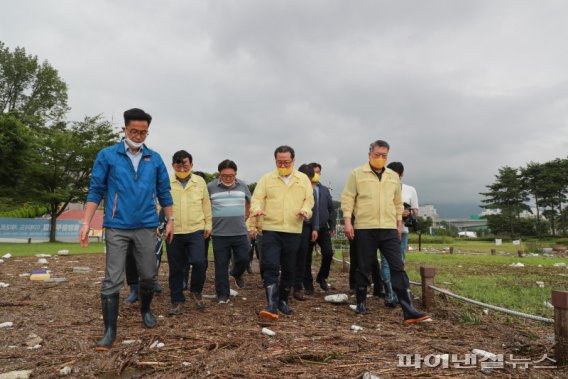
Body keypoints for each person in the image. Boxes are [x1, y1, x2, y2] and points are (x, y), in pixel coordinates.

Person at [80, 108, 174, 351]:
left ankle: (146, 309)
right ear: (124, 129)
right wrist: (86, 222)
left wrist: (170, 220)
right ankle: (109, 330)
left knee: (149, 275)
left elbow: (164, 191)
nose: (139, 136)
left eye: (144, 132)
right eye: (134, 131)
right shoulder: (108, 155)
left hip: (146, 225)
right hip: (117, 227)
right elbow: (96, 189)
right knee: (112, 278)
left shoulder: (154, 158)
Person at [341, 139, 430, 323]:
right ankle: (361, 302)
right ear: (369, 154)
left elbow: (397, 203)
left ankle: (408, 309)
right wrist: (348, 222)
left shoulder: (392, 176)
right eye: (377, 155)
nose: (380, 158)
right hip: (365, 227)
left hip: (389, 228)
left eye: (384, 155)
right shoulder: (357, 174)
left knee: (397, 267)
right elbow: (348, 198)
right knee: (364, 266)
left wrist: (398, 224)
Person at [250, 145, 314, 319]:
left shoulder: (303, 179)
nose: (283, 165)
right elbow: (257, 198)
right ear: (275, 161)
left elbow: (309, 201)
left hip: (293, 229)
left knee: (289, 267)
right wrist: (256, 209)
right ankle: (271, 304)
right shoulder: (267, 179)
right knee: (270, 265)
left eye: (286, 162)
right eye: (279, 162)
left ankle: (283, 300)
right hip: (271, 229)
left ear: (293, 160)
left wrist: (305, 211)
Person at [166, 151, 212, 316]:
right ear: (173, 165)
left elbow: (206, 205)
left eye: (185, 164)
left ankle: (196, 291)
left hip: (196, 229)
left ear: (191, 165)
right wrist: (157, 225)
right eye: (178, 164)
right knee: (176, 267)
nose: (182, 167)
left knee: (200, 262)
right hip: (174, 231)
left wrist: (208, 224)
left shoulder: (199, 182)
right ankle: (177, 300)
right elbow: (159, 204)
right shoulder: (166, 181)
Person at [208, 159, 252, 304]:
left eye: (231, 175)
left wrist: (247, 215)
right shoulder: (211, 187)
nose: (228, 178)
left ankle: (236, 273)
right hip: (219, 233)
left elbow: (249, 201)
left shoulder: (242, 185)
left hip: (240, 231)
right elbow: (204, 206)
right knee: (221, 265)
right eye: (224, 175)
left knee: (244, 258)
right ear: (219, 174)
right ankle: (222, 295)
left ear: (235, 174)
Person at [380, 161, 420, 307]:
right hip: (386, 229)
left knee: (400, 261)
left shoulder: (410, 190)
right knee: (385, 262)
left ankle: (398, 293)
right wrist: (397, 211)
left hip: (403, 231)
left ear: (402, 175)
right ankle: (390, 295)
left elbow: (416, 211)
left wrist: (408, 213)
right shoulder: (381, 188)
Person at [303, 162, 336, 294]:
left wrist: (332, 225)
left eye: (319, 172)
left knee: (328, 252)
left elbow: (331, 209)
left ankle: (322, 277)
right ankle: (307, 284)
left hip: (322, 227)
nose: (316, 175)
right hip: (307, 227)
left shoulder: (324, 190)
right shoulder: (303, 188)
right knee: (306, 257)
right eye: (314, 172)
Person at [292, 164, 319, 301]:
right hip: (290, 226)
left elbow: (315, 210)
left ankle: (297, 287)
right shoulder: (290, 188)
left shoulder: (311, 191)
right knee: (289, 256)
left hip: (305, 227)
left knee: (303, 257)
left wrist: (315, 228)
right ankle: (286, 284)